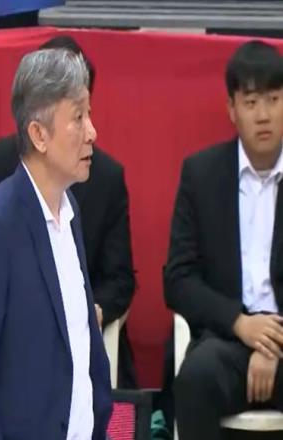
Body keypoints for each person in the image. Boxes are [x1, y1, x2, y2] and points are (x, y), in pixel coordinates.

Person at [0, 35, 137, 388]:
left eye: (87, 113)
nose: (91, 132)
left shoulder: (101, 182)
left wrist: (91, 312)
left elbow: (120, 279)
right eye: (77, 117)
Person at [164, 40, 283, 440]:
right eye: (250, 102)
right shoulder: (201, 175)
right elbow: (178, 279)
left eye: (273, 99)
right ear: (231, 109)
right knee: (194, 380)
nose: (263, 115)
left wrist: (273, 345)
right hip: (227, 339)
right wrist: (240, 324)